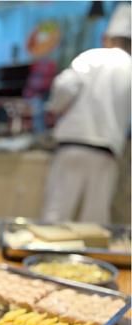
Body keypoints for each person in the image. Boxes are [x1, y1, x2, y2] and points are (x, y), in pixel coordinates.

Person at [42, 3, 131, 224]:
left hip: (73, 143)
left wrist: (55, 109)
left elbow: (65, 87)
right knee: (94, 220)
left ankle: (42, 257)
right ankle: (91, 259)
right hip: (108, 150)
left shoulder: (91, 58)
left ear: (107, 38)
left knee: (57, 213)